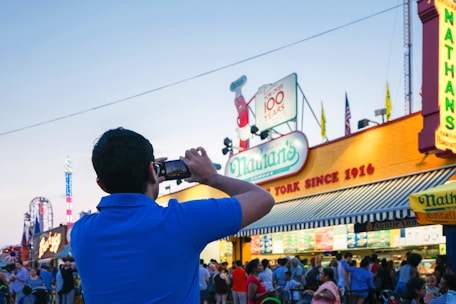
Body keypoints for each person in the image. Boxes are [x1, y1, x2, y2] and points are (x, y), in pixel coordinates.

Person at [70, 128, 275, 303]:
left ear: (102, 185)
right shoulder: (183, 221)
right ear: (153, 171)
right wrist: (212, 177)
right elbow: (262, 199)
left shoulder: (80, 232)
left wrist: (147, 175)